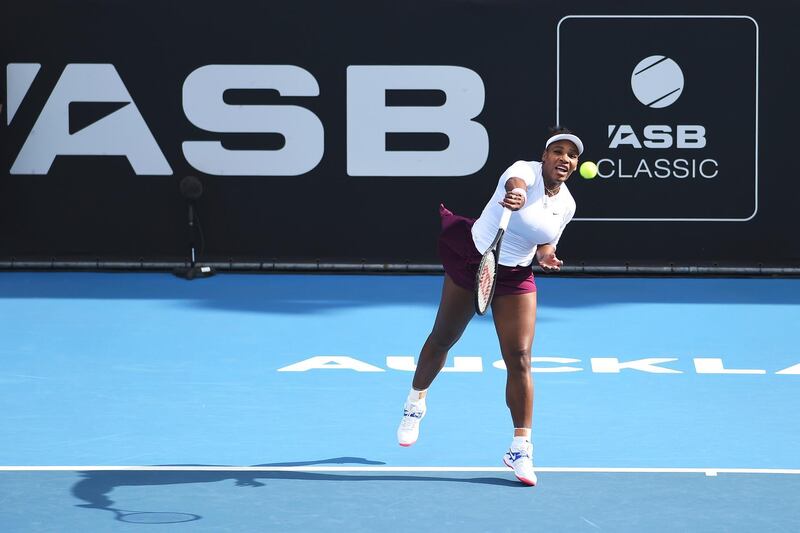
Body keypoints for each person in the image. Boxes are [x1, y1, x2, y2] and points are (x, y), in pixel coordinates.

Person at [396, 127, 582, 487]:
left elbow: (545, 243)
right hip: (475, 260)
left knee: (520, 357)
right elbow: (515, 183)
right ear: (544, 156)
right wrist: (514, 194)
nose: (564, 159)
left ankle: (520, 447)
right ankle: (415, 402)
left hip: (516, 277)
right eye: (557, 152)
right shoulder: (524, 171)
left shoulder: (567, 204)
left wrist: (548, 257)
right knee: (443, 338)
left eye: (571, 156)